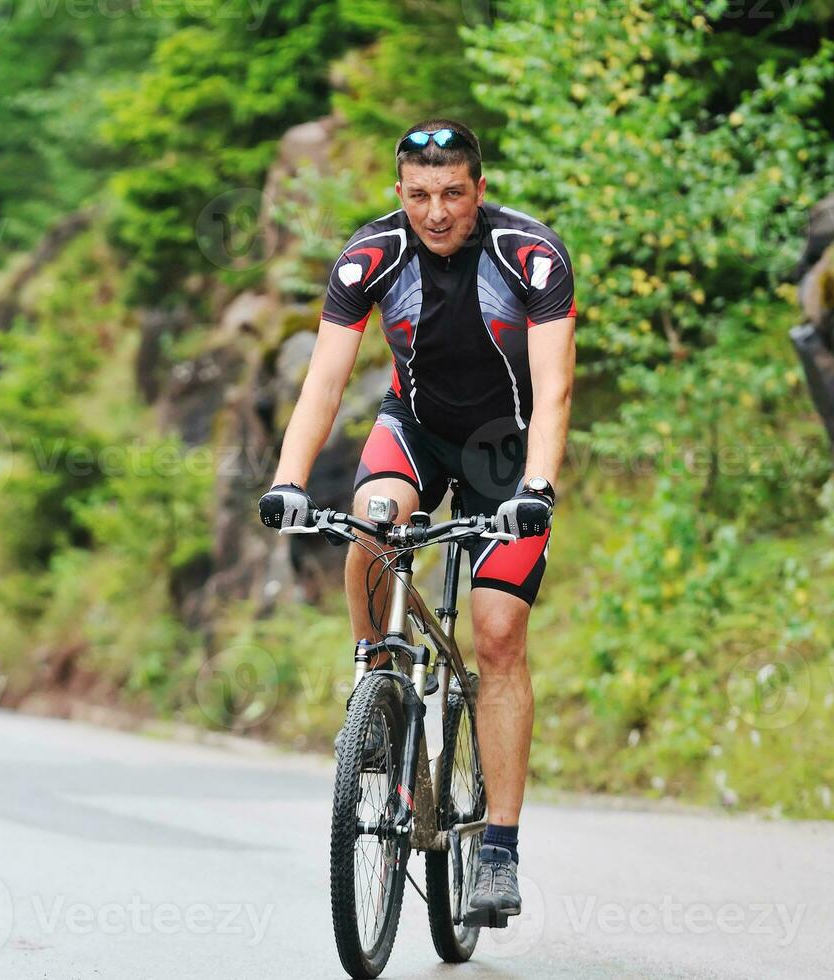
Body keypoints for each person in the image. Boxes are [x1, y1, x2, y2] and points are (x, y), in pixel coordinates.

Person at [258, 119, 577, 920]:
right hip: (413, 431)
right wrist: (289, 479)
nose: (437, 212)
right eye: (420, 194)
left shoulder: (530, 254)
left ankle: (497, 850)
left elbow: (556, 386)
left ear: (479, 187)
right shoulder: (371, 255)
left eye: (454, 193)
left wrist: (537, 484)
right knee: (370, 523)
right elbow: (324, 382)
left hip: (504, 453)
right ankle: (375, 675)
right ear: (399, 193)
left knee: (499, 634)